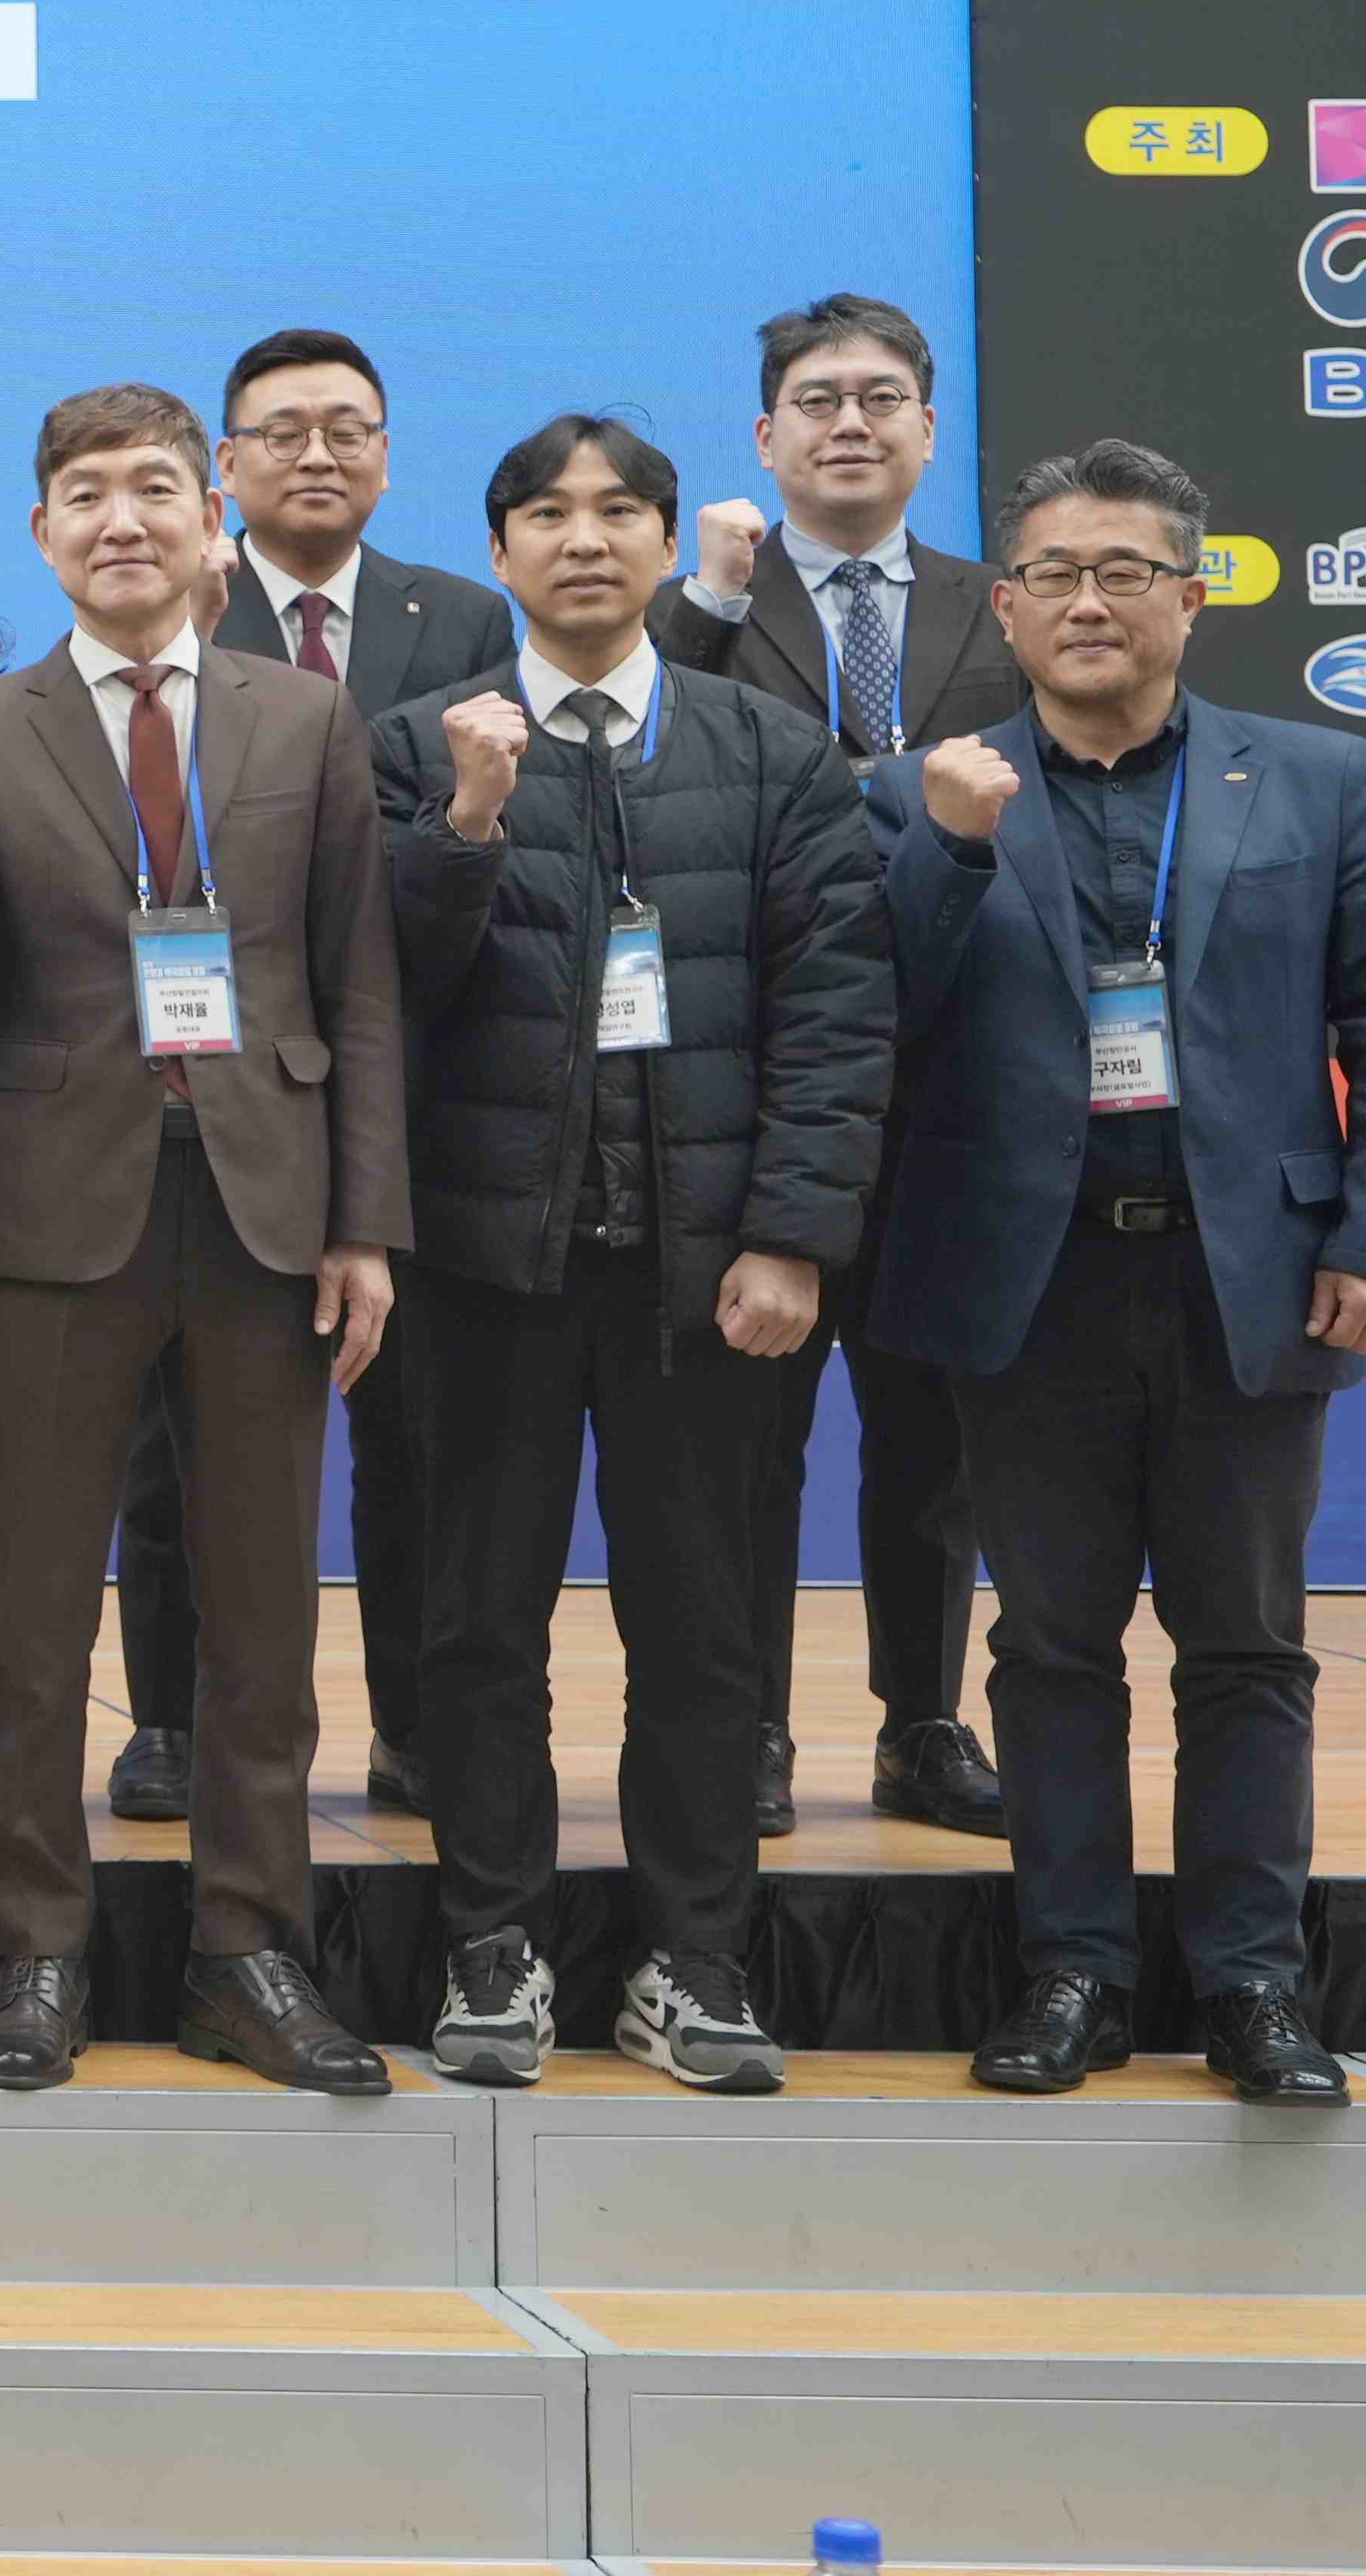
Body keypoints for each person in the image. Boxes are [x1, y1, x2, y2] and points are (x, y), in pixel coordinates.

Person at [0, 381, 406, 2098]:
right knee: (35, 1617)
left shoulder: (300, 715)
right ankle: (38, 1948)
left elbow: (357, 979)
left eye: (157, 487)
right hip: (53, 1205)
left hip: (267, 1207)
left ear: (211, 516)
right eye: (87, 492)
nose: (123, 518)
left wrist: (365, 1225)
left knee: (262, 1620)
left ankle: (249, 1953)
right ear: (41, 533)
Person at [374, 415, 888, 2096]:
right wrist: (468, 819)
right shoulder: (417, 744)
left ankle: (696, 1962)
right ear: (499, 552)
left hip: (706, 1279)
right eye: (544, 513)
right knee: (476, 1628)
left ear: (671, 546)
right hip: (483, 1269)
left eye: (618, 512)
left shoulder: (772, 750)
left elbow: (835, 1014)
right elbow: (379, 993)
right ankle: (494, 1947)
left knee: (703, 1635)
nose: (582, 538)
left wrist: (792, 1238)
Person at [871, 440, 1359, 2109]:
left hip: (1250, 1274)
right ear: (1005, 607)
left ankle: (1255, 1985)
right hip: (1029, 1284)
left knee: (1249, 1649)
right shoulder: (925, 792)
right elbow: (872, 1023)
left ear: (1192, 596)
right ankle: (1072, 1972)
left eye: (1126, 571)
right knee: (1053, 1650)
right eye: (1055, 575)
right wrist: (946, 850)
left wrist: (1362, 1235)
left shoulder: (1316, 780)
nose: (1090, 601)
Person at [134, 328, 515, 1824]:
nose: (316, 454)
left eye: (347, 429)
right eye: (281, 431)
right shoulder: (165, 602)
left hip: (401, 1078)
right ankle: (169, 1726)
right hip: (203, 1088)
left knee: (413, 1440)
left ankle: (413, 1727)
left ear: (387, 457)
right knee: (177, 1446)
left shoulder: (460, 616)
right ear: (225, 467)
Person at [658, 291, 1024, 1842]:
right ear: (766, 435)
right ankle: (746, 1727)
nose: (851, 423)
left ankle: (921, 1724)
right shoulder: (704, 608)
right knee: (746, 1442)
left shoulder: (1003, 603)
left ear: (930, 428)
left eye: (881, 397)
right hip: (752, 1087)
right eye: (818, 400)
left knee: (931, 1441)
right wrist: (704, 603)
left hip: (951, 1083)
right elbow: (636, 753)